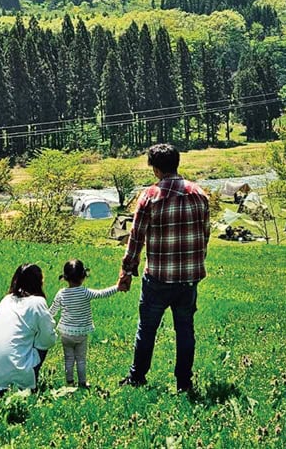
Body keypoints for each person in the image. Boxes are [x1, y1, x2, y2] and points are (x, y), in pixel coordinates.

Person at [117, 143, 210, 393]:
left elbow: (136, 238)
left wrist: (127, 270)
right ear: (177, 163)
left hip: (157, 277)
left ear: (155, 169)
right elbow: (205, 234)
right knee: (185, 329)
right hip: (189, 279)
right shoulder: (199, 193)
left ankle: (137, 377)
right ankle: (184, 382)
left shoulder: (150, 196)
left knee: (147, 329)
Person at [0, 263, 57, 393]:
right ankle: (27, 381)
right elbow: (48, 338)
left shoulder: (6, 299)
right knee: (43, 341)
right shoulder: (37, 302)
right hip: (16, 373)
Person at [49, 259, 118, 388]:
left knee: (69, 359)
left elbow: (52, 311)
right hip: (81, 333)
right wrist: (118, 287)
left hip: (66, 334)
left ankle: (69, 382)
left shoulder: (61, 294)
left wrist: (42, 322)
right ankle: (82, 382)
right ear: (83, 276)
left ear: (65, 277)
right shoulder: (85, 293)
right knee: (80, 359)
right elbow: (102, 293)